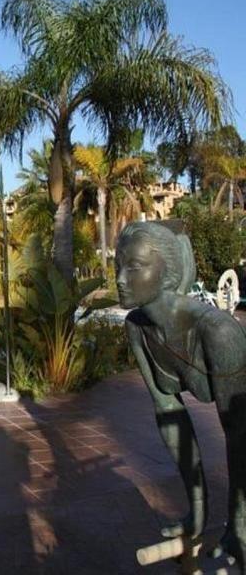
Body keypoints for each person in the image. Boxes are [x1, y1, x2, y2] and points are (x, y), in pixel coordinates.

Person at [116, 221, 246, 567]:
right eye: (118, 265)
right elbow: (168, 411)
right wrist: (197, 513)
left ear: (167, 271)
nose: (119, 279)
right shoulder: (136, 327)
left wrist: (239, 526)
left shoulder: (218, 332)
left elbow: (239, 434)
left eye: (134, 267)